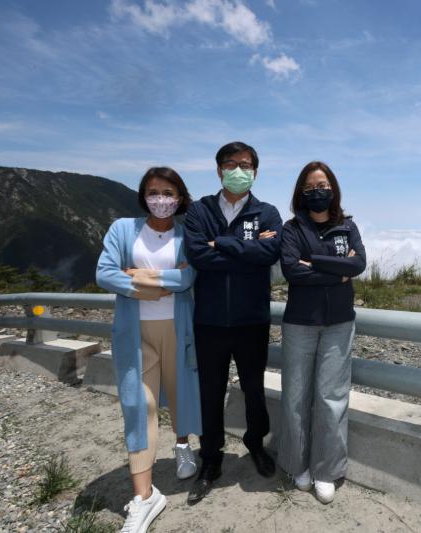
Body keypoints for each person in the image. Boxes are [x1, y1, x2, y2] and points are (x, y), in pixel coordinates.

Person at [96, 167, 202, 533]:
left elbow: (188, 278)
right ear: (144, 195)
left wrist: (138, 278)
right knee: (140, 404)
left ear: (179, 196)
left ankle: (183, 444)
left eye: (168, 192)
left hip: (177, 327)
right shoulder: (123, 228)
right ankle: (143, 497)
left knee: (180, 390)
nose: (161, 199)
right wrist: (160, 285)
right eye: (154, 192)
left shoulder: (188, 232)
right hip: (134, 332)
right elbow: (104, 273)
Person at [183, 141, 283, 504]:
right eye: (231, 164)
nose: (239, 170)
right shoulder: (199, 210)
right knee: (210, 392)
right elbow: (198, 256)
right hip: (209, 321)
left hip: (251, 320)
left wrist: (219, 244)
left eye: (246, 164)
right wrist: (244, 250)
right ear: (219, 170)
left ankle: (256, 444)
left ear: (255, 171)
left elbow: (269, 253)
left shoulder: (267, 212)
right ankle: (210, 459)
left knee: (254, 390)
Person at [277, 161, 366, 504]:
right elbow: (291, 271)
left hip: (339, 322)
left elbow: (359, 265)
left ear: (334, 188)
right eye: (311, 187)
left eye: (323, 184)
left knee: (332, 399)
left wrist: (314, 262)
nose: (318, 191)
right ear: (301, 192)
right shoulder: (291, 228)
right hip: (300, 322)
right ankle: (296, 465)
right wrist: (337, 271)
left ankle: (326, 470)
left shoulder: (348, 226)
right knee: (296, 398)